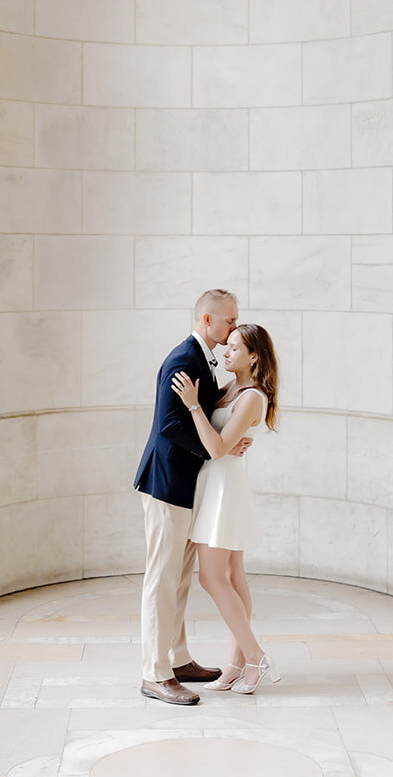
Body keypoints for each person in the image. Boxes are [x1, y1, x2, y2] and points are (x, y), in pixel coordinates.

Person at [133, 287, 250, 706]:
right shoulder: (183, 359)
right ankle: (155, 673)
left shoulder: (202, 358)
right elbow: (169, 425)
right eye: (229, 321)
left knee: (178, 579)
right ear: (206, 320)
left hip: (185, 486)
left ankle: (178, 660)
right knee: (161, 580)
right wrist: (218, 444)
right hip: (166, 486)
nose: (233, 327)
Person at [171, 321, 280, 694]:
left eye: (235, 347)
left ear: (255, 356)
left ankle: (255, 656)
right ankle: (238, 664)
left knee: (211, 577)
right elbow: (218, 442)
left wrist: (192, 407)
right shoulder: (232, 387)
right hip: (216, 483)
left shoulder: (251, 396)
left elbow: (216, 447)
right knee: (233, 576)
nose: (226, 351)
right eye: (227, 345)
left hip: (224, 489)